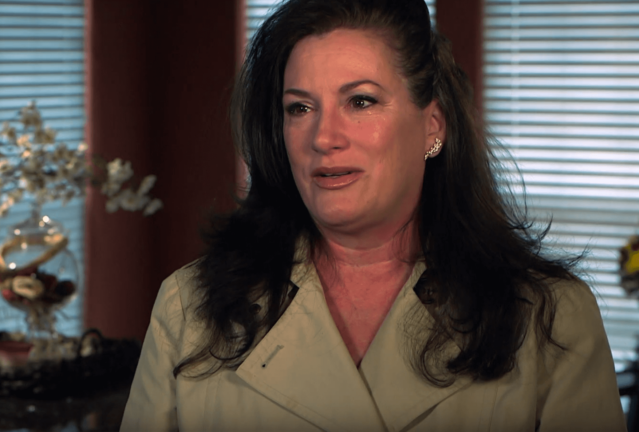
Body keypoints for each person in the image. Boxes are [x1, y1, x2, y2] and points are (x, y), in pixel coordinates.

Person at [121, 0, 625, 430]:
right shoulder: (188, 309)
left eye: (360, 101)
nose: (323, 138)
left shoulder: (550, 319)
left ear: (432, 125)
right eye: (300, 108)